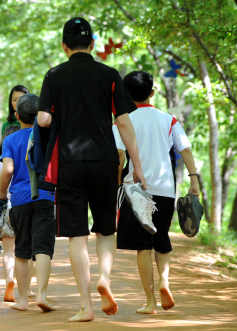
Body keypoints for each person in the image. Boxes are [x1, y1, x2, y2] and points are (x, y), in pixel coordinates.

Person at [36, 17, 147, 322]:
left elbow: (44, 120)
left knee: (76, 236)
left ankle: (86, 305)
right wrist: (137, 166)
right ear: (93, 44)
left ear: (64, 46)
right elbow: (123, 122)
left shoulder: (54, 75)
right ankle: (105, 279)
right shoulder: (109, 74)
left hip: (70, 163)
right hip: (104, 161)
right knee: (106, 229)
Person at [114, 71, 200, 314]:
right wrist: (194, 181)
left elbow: (120, 155)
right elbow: (185, 150)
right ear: (152, 93)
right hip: (164, 189)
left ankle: (150, 301)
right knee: (161, 237)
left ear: (126, 95)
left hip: (134, 190)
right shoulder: (168, 119)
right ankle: (165, 282)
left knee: (143, 246)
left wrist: (115, 182)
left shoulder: (122, 121)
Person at [0, 93, 56, 312]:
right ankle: (41, 294)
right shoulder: (49, 136)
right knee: (43, 249)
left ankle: (22, 300)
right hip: (46, 195)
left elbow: (8, 169)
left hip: (20, 200)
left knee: (22, 250)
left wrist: (1, 194)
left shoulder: (10, 140)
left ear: (16, 115)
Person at [0, 126, 36, 302]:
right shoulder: (27, 158)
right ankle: (28, 288)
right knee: (26, 249)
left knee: (8, 252)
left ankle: (9, 280)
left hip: (5, 209)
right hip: (23, 204)